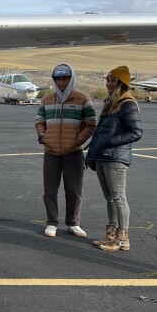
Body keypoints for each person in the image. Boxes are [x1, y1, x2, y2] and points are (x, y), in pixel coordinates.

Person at [85, 65, 143, 251]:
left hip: (115, 158)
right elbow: (100, 132)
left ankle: (122, 238)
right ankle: (111, 235)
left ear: (122, 83)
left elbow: (136, 132)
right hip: (103, 156)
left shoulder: (128, 104)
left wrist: (111, 141)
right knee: (109, 198)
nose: (109, 84)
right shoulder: (112, 103)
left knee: (118, 198)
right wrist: (92, 152)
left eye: (113, 80)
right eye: (108, 80)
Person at [35, 64, 97, 238]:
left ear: (71, 79)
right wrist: (42, 137)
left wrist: (78, 141)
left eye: (65, 78)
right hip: (51, 152)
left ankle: (73, 223)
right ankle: (52, 222)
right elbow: (40, 120)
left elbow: (90, 123)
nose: (61, 81)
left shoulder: (83, 99)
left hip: (73, 153)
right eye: (58, 79)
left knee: (74, 190)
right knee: (50, 190)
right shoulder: (46, 99)